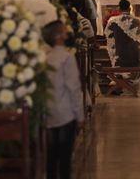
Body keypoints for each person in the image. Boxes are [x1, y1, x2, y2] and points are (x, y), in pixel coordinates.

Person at [43, 21, 85, 179]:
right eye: (64, 31)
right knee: (65, 158)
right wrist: (80, 115)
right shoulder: (67, 57)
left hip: (50, 111)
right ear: (59, 37)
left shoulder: (46, 57)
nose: (67, 33)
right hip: (66, 113)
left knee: (51, 157)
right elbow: (74, 88)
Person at [104, 0, 140, 67]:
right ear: (129, 9)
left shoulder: (112, 20)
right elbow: (139, 37)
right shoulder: (136, 20)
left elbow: (108, 35)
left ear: (119, 9)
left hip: (119, 53)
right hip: (133, 54)